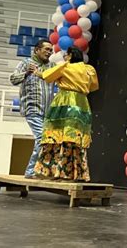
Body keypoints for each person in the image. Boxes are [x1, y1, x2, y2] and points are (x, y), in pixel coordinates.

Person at [33, 47, 99, 181]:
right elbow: (94, 86)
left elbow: (47, 76)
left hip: (64, 102)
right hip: (82, 103)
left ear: (69, 56)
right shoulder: (89, 69)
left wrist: (36, 72)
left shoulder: (65, 66)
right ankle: (77, 173)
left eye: (65, 55)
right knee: (76, 139)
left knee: (57, 135)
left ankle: (54, 172)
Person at [9, 39, 54, 179]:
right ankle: (30, 172)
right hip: (32, 109)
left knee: (49, 140)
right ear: (36, 50)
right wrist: (26, 74)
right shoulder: (25, 63)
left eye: (51, 50)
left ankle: (42, 171)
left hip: (48, 112)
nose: (49, 52)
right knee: (42, 138)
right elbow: (13, 79)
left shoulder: (52, 66)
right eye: (46, 49)